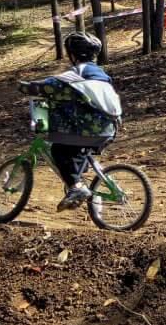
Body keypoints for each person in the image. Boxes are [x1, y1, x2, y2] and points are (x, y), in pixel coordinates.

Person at [17, 32, 122, 211]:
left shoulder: (73, 76)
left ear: (72, 55)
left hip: (87, 129)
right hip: (110, 128)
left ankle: (77, 188)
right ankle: (85, 189)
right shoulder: (102, 76)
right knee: (77, 151)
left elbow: (44, 87)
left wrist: (21, 85)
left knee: (59, 150)